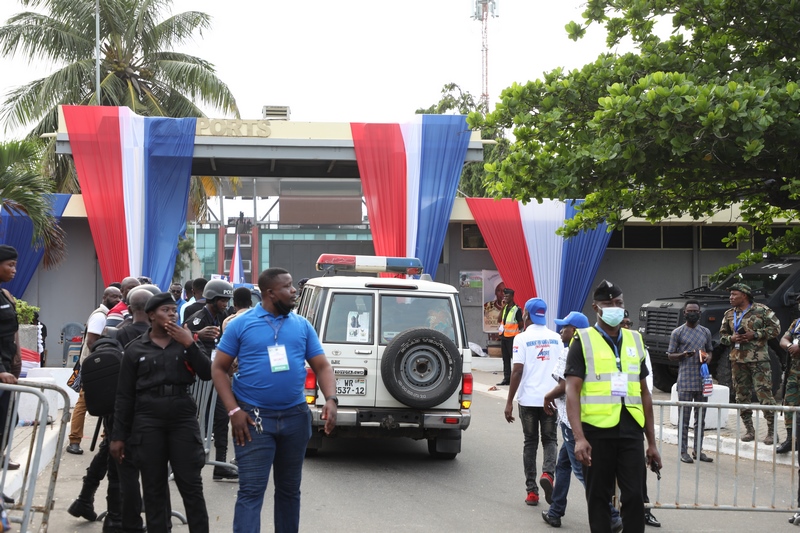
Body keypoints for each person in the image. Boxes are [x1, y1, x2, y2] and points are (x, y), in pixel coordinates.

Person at [212, 267, 337, 533]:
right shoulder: (241, 325)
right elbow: (218, 368)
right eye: (288, 287)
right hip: (254, 421)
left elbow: (323, 366)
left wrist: (331, 399)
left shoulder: (302, 325)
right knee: (251, 491)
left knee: (290, 492)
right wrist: (233, 410)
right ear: (270, 292)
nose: (294, 291)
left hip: (295, 418)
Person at [565, 280, 661, 533]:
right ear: (596, 307)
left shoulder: (635, 340)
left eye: (618, 303)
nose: (614, 308)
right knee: (598, 497)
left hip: (630, 430)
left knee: (634, 497)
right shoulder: (582, 340)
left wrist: (651, 443)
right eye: (608, 304)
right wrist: (579, 438)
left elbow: (644, 393)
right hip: (596, 432)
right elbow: (572, 391)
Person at [111, 292, 211, 533]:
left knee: (191, 485)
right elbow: (124, 396)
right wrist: (118, 436)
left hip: (181, 416)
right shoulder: (135, 349)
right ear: (151, 315)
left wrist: (190, 343)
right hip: (147, 418)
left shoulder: (186, 343)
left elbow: (207, 372)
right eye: (165, 310)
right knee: (153, 487)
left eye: (173, 310)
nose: (172, 314)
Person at [542, 311, 623, 531]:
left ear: (575, 331)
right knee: (563, 465)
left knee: (583, 472)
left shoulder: (569, 351)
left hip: (572, 422)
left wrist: (548, 396)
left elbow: (565, 386)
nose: (561, 331)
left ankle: (612, 515)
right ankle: (555, 511)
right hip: (586, 418)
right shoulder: (595, 350)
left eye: (565, 327)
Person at [504, 298, 560, 507]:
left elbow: (517, 370)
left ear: (526, 314)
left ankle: (532, 492)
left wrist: (509, 401)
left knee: (530, 442)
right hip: (551, 399)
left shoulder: (521, 338)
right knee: (550, 440)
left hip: (528, 400)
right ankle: (548, 473)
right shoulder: (556, 338)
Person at [184, 279, 237, 480]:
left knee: (222, 419)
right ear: (212, 298)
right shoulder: (197, 320)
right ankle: (187, 463)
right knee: (193, 423)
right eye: (222, 299)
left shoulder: (223, 316)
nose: (225, 303)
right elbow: (186, 342)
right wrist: (197, 335)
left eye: (226, 299)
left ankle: (220, 465)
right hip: (200, 380)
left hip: (218, 378)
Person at [719, 282, 781, 444]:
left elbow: (776, 329)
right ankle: (749, 430)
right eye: (730, 294)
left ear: (744, 295)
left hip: (759, 360)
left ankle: (772, 432)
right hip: (737, 360)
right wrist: (730, 338)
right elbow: (722, 336)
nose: (731, 297)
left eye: (734, 294)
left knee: (765, 395)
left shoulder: (762, 310)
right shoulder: (729, 314)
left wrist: (756, 334)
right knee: (741, 396)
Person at [67, 285, 122, 455]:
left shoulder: (108, 315)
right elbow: (92, 342)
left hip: (100, 365)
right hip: (94, 366)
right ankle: (75, 440)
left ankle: (106, 437)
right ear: (105, 298)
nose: (119, 300)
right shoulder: (100, 316)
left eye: (120, 297)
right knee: (83, 402)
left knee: (108, 401)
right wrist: (102, 363)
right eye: (115, 297)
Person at [621, 311, 661, 528]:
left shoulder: (639, 349)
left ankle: (645, 511)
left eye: (629, 323)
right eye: (623, 323)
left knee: (637, 476)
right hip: (608, 422)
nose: (626, 326)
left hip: (635, 420)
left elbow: (648, 386)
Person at [667, 300, 714, 463]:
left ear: (699, 314)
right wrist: (682, 355)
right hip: (685, 381)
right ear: (684, 313)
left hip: (702, 380)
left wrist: (707, 358)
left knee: (700, 419)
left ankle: (698, 450)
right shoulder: (677, 332)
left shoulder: (705, 332)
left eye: (695, 311)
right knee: (684, 419)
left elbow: (710, 350)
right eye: (689, 311)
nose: (692, 313)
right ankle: (683, 451)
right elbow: (670, 355)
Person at [0, 245, 21, 471]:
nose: (14, 270)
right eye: (10, 265)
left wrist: (16, 357)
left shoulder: (4, 294)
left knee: (8, 419)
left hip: (7, 365)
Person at [777, 294, 800, 454]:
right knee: (789, 405)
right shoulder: (797, 323)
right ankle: (791, 440)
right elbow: (783, 339)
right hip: (794, 373)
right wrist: (790, 345)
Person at [497, 288, 523, 386]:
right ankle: (506, 379)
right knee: (505, 359)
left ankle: (517, 379)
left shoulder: (517, 309)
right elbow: (499, 320)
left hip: (513, 338)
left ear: (512, 297)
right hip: (504, 337)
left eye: (507, 296)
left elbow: (521, 324)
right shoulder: (505, 308)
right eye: (504, 296)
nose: (505, 298)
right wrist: (502, 308)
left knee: (515, 359)